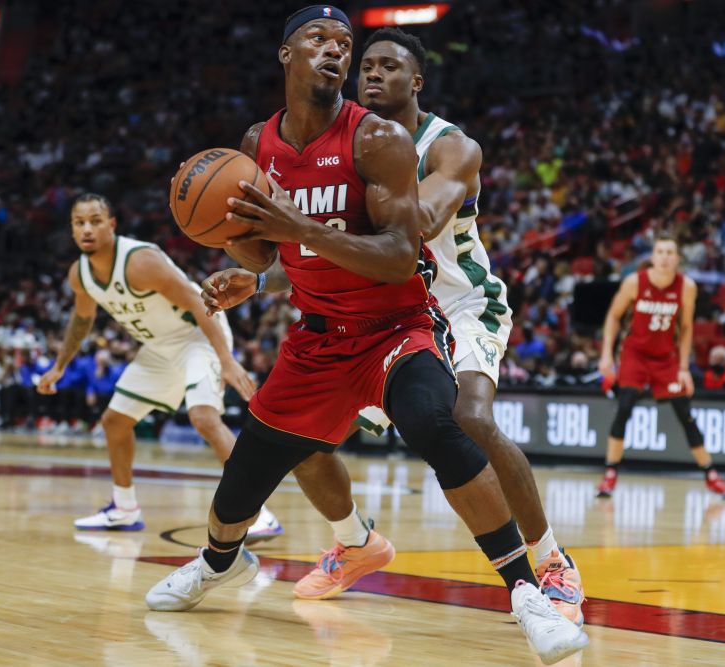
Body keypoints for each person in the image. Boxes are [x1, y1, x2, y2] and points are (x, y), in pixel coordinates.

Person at [145, 8, 588, 664]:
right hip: (323, 331)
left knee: (454, 420)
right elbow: (269, 247)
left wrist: (301, 231)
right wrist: (246, 260)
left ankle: (537, 579)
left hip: (432, 307)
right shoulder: (261, 142)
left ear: (417, 82)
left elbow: (405, 247)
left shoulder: (415, 144)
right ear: (286, 55)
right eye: (342, 50)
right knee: (278, 455)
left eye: (360, 54)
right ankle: (290, 551)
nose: (356, 64)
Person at [36, 194, 281, 542]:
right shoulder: (81, 275)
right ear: (72, 229)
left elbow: (200, 301)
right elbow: (81, 318)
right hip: (161, 347)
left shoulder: (141, 261)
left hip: (199, 334)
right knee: (115, 422)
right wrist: (60, 365)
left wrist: (226, 360)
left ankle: (259, 514)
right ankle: (124, 508)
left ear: (112, 225)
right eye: (79, 223)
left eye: (95, 220)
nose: (87, 229)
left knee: (203, 418)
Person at [597, 235, 725, 499]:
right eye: (660, 251)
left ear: (678, 258)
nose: (664, 256)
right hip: (635, 353)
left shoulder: (687, 287)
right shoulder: (634, 282)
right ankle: (610, 474)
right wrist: (607, 354)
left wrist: (684, 367)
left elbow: (686, 328)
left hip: (665, 357)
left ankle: (712, 476)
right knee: (624, 407)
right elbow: (613, 317)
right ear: (652, 256)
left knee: (685, 412)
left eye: (670, 252)